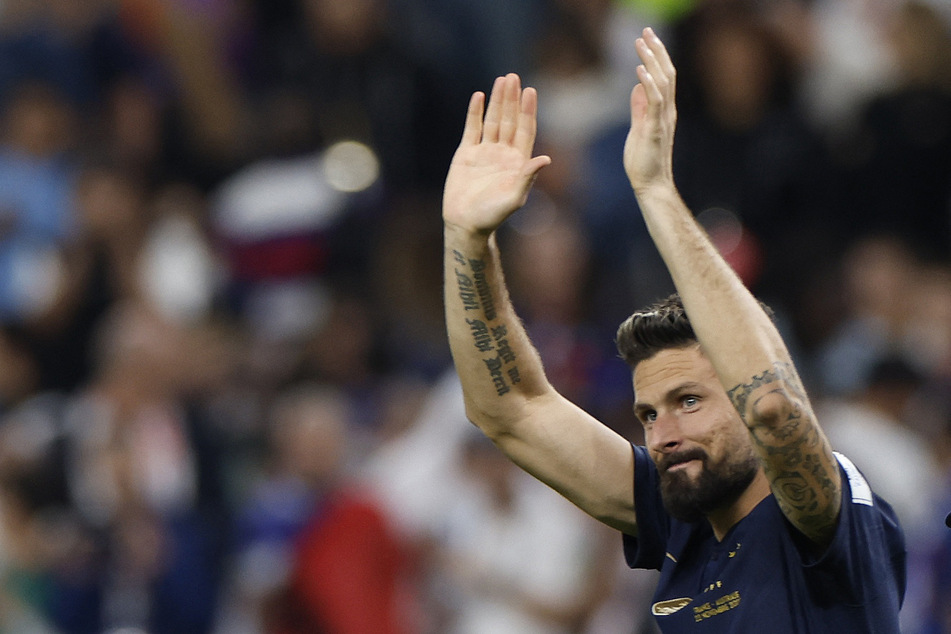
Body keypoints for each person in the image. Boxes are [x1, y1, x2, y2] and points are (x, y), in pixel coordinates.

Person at [442, 26, 906, 633]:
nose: (664, 433)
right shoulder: (677, 518)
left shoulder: (827, 515)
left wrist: (655, 191)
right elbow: (508, 408)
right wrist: (466, 238)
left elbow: (771, 402)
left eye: (689, 401)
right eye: (650, 413)